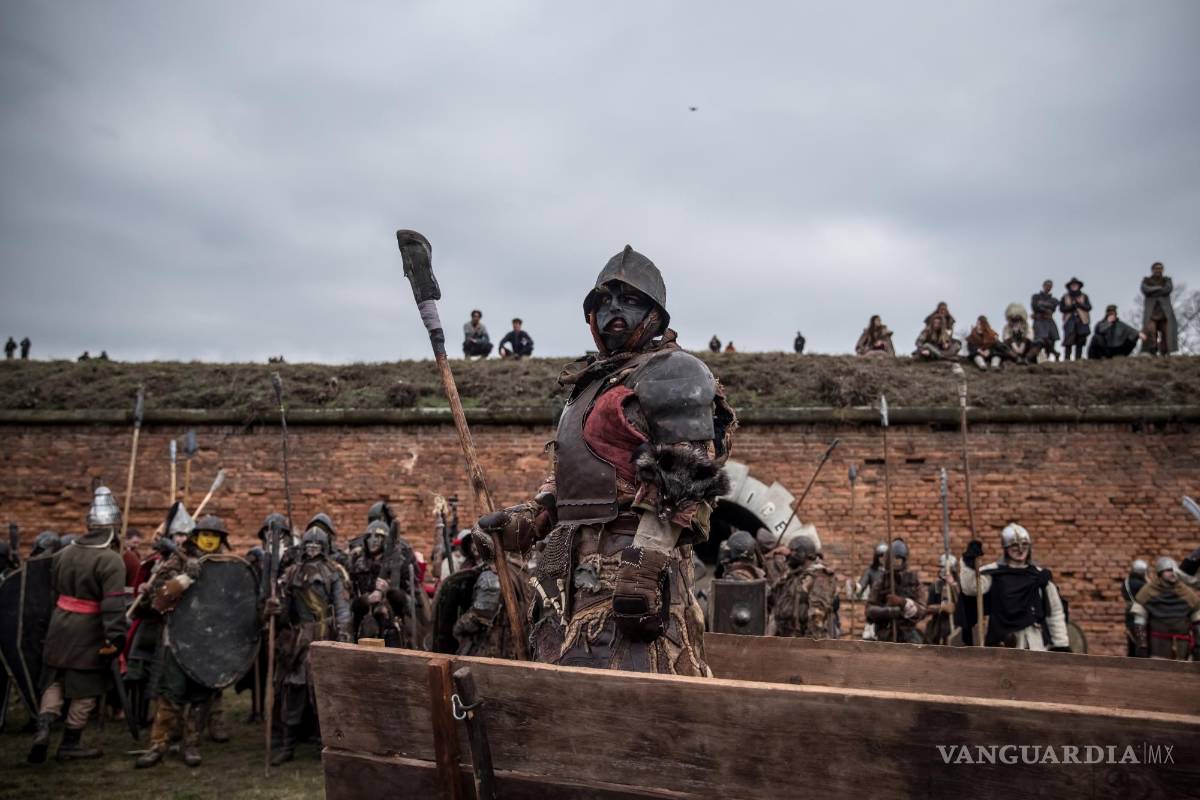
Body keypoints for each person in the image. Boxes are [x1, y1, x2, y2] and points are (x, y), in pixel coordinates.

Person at [474, 244, 736, 675]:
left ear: (654, 314)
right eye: (604, 301)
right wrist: (530, 516)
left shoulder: (672, 370)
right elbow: (576, 478)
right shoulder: (590, 384)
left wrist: (645, 562)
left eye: (630, 300)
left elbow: (687, 474)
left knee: (635, 686)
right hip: (569, 571)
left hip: (630, 561)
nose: (614, 309)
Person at [28, 486, 128, 764]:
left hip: (59, 625)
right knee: (86, 687)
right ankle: (70, 743)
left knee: (55, 680)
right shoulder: (110, 560)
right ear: (113, 528)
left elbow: (51, 593)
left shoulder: (63, 553)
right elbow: (111, 605)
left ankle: (44, 726)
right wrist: (117, 638)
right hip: (88, 630)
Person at [134, 515, 233, 768]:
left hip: (207, 639)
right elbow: (155, 600)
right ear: (195, 536)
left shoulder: (227, 565)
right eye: (205, 535)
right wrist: (183, 579)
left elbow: (234, 604)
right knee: (170, 694)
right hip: (177, 639)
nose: (209, 540)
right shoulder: (176, 561)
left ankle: (191, 745)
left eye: (215, 536)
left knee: (200, 697)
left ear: (221, 540)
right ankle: (158, 744)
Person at [263, 521, 351, 765]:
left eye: (317, 544)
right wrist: (275, 608)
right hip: (298, 639)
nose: (312, 547)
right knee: (293, 688)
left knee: (322, 691)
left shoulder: (334, 572)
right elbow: (285, 613)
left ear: (324, 546)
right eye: (309, 544)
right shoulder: (292, 572)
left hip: (324, 634)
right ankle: (288, 745)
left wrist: (343, 638)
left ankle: (327, 745)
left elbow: (342, 610)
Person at [960, 523, 1070, 651]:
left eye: (1024, 545)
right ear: (1005, 548)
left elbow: (1054, 611)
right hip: (1001, 641)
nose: (1020, 549)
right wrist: (968, 562)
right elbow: (971, 588)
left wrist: (1061, 644)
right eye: (1014, 545)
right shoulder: (994, 573)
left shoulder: (1040, 576)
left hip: (1033, 641)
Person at [348, 519, 425, 648]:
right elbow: (350, 599)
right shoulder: (357, 563)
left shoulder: (400, 562)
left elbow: (412, 600)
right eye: (370, 537)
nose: (373, 540)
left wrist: (391, 593)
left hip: (394, 619)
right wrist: (366, 600)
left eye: (378, 537)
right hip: (364, 621)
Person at [1130, 557, 1200, 660]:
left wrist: (1198, 645)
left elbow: (1197, 622)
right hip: (1158, 645)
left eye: (1174, 570)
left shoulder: (1186, 593)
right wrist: (1142, 645)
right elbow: (1139, 621)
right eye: (1168, 570)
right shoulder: (1148, 591)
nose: (1172, 573)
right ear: (1160, 573)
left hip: (1182, 647)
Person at [769, 537, 838, 639]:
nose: (788, 555)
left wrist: (809, 645)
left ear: (802, 553)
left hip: (808, 641)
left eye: (792, 551)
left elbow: (817, 614)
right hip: (787, 640)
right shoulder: (793, 576)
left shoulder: (820, 576)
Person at [864, 538, 929, 644]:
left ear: (904, 560)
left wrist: (902, 603)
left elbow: (922, 610)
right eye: (894, 559)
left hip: (908, 634)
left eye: (899, 559)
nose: (896, 562)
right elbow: (869, 609)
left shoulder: (914, 581)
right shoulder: (881, 581)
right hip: (886, 634)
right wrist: (889, 611)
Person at [1141, 262, 1178, 356]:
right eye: (1156, 268)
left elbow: (1168, 289)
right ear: (1152, 270)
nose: (1158, 270)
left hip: (1164, 313)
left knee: (1167, 332)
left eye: (1160, 268)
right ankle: (1151, 351)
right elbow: (1145, 290)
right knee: (1150, 331)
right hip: (1151, 313)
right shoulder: (1146, 280)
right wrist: (1159, 289)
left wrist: (1153, 291)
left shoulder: (1167, 280)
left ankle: (1165, 352)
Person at [923, 554, 959, 645]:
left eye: (945, 568)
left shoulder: (960, 585)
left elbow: (965, 605)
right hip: (939, 628)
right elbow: (928, 608)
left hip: (957, 627)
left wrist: (953, 586)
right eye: (941, 568)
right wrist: (942, 607)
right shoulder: (936, 586)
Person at [1059, 278, 1092, 361]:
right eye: (1072, 285)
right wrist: (1071, 307)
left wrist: (1079, 304)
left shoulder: (1084, 296)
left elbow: (1088, 307)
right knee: (1068, 341)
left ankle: (1078, 358)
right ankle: (1067, 358)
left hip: (1082, 321)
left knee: (1080, 341)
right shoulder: (1065, 297)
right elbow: (1062, 309)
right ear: (1069, 287)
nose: (1074, 286)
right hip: (1069, 321)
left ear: (1079, 286)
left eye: (1075, 285)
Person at [1122, 558, 1149, 657]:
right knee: (1140, 640)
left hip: (1129, 612)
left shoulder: (1126, 582)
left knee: (1132, 639)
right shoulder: (1142, 585)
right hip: (1139, 613)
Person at [1030, 280, 1061, 361]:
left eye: (1050, 285)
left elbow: (1053, 309)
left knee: (1051, 340)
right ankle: (1037, 358)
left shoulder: (1053, 299)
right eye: (1047, 285)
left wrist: (1042, 307)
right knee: (1040, 340)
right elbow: (1035, 307)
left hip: (1049, 321)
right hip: (1039, 321)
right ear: (1043, 286)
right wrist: (1045, 308)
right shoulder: (1036, 296)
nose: (1048, 287)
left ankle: (1050, 356)